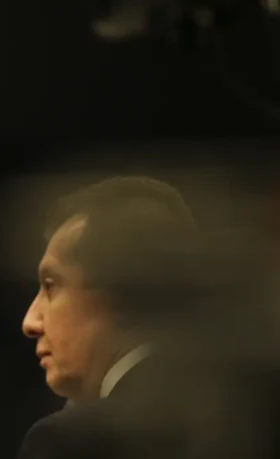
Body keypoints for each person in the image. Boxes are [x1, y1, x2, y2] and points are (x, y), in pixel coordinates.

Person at [17, 176, 202, 459]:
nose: (30, 322)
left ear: (123, 291)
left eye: (51, 286)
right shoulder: (244, 417)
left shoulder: (71, 441)